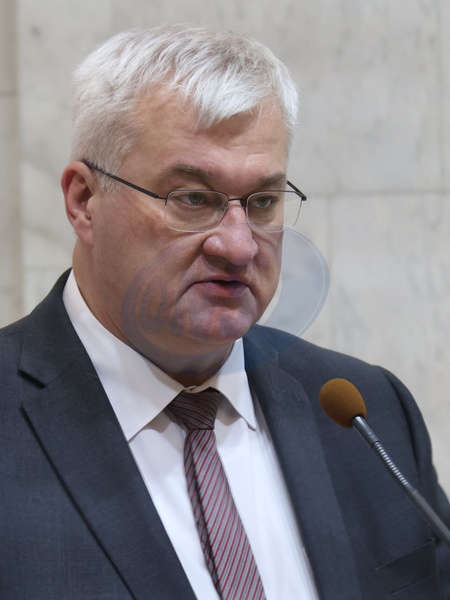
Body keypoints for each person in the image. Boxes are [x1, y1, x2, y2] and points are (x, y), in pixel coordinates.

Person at [1, 23, 449, 600]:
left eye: (262, 202)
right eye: (192, 199)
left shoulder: (369, 412)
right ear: (84, 201)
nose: (238, 246)